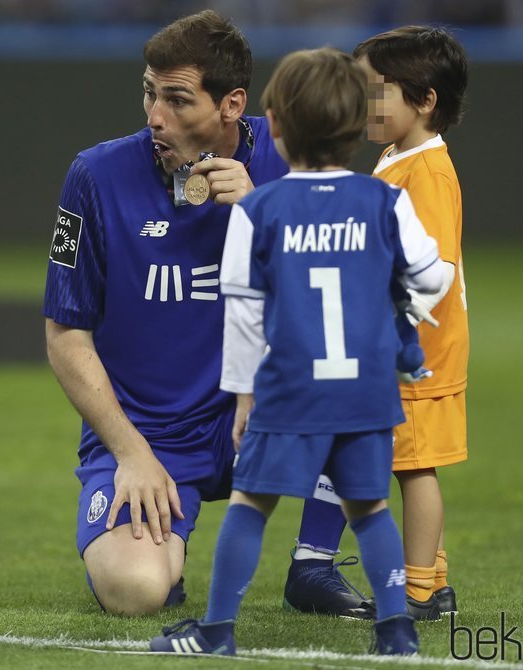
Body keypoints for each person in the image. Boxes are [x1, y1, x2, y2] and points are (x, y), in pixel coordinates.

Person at [149, 47, 451, 656]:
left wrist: (242, 398)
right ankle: (396, 632)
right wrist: (397, 301)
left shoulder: (259, 210)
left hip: (290, 393)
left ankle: (216, 632)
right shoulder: (384, 201)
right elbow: (434, 277)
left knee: (250, 506)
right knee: (369, 511)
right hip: (366, 395)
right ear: (352, 125)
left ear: (277, 128)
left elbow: (244, 313)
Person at [42, 9, 296, 616]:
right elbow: (65, 335)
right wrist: (130, 452)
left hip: (256, 423)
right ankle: (163, 548)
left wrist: (263, 215)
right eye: (150, 94)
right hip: (149, 433)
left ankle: (315, 560)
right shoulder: (95, 176)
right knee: (136, 591)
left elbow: (342, 295)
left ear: (232, 105)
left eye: (178, 100)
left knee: (367, 396)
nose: (156, 116)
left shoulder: (288, 164)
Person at [352, 25, 470, 619]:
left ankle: (420, 590)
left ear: (425, 100)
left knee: (414, 466)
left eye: (377, 90)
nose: (364, 104)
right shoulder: (397, 156)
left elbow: (438, 272)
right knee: (407, 463)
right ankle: (435, 577)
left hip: (417, 353)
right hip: (400, 349)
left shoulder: (427, 173)